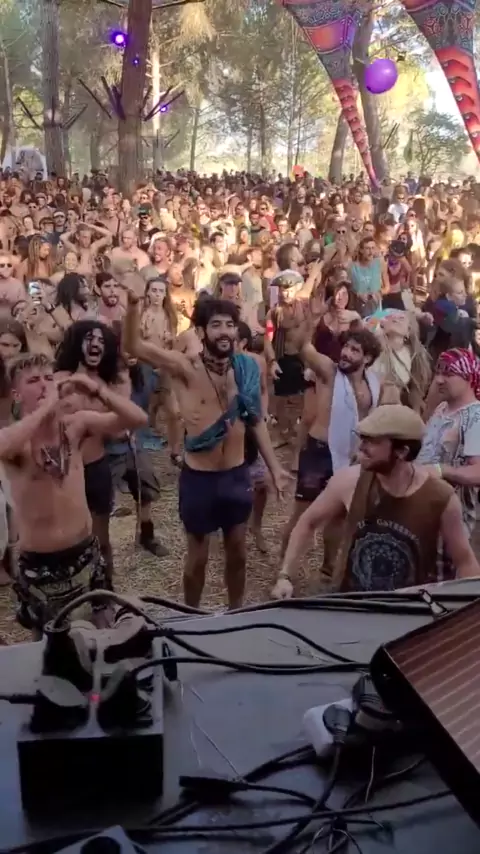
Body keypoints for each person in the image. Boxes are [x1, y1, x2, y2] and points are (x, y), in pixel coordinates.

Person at [123, 278, 289, 610]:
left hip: (236, 475)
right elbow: (134, 346)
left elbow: (255, 420)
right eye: (216, 325)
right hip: (199, 479)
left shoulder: (246, 368)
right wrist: (132, 306)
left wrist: (276, 468)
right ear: (201, 332)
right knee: (197, 558)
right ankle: (191, 614)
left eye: (229, 324)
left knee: (238, 552)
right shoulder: (185, 368)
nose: (224, 331)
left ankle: (236, 611)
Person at [0, 352, 147, 637]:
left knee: (103, 636)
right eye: (33, 380)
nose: (44, 385)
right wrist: (46, 408)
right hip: (40, 567)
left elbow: (137, 418)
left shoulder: (76, 425)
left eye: (48, 377)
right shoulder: (17, 442)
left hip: (84, 556)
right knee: (49, 645)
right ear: (16, 394)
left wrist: (96, 390)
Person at [272, 405, 479, 599]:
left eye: (372, 441)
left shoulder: (440, 498)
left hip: (410, 611)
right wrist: (285, 576)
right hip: (351, 605)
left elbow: (465, 562)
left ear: (402, 451)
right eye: (362, 438)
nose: (361, 447)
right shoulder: (350, 482)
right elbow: (308, 522)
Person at [55, 320, 126, 580]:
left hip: (96, 468)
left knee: (101, 541)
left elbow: (121, 429)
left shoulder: (109, 385)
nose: (96, 344)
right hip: (63, 472)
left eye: (101, 340)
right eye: (89, 338)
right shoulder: (57, 380)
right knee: (68, 542)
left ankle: (105, 591)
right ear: (77, 343)